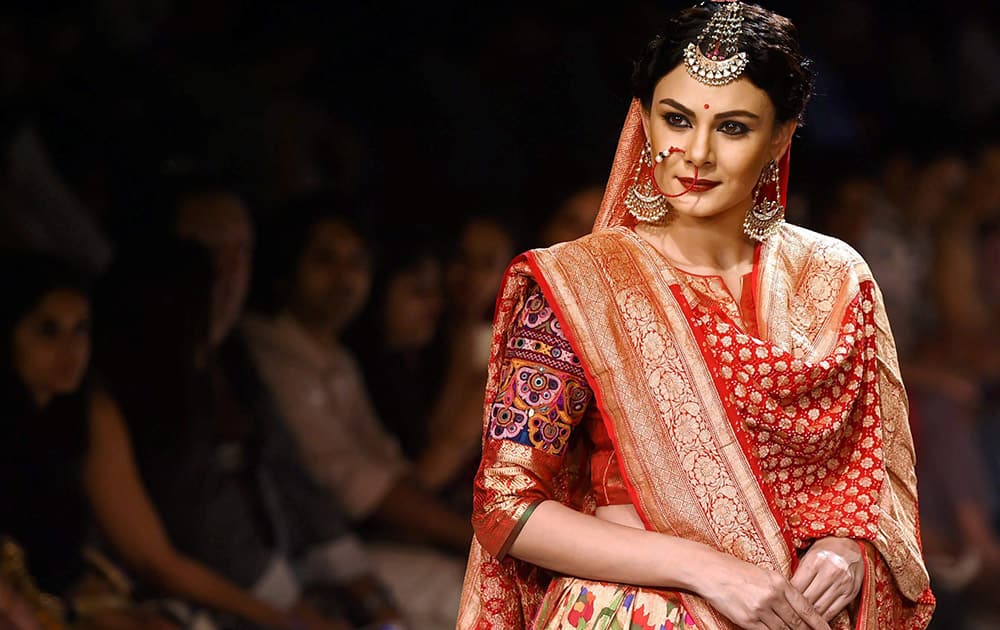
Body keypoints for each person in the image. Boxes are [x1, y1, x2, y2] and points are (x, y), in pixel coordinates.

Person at [460, 2, 935, 629]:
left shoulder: (834, 278)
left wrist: (851, 549)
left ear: (781, 136)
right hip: (632, 611)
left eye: (734, 128)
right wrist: (707, 568)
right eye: (676, 119)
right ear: (645, 122)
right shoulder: (578, 284)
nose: (697, 154)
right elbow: (506, 503)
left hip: (802, 611)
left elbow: (880, 485)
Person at [244, 199, 470, 630]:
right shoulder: (270, 354)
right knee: (466, 593)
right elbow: (355, 484)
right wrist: (479, 539)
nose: (345, 278)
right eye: (325, 260)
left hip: (362, 542)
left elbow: (389, 469)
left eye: (356, 263)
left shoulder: (336, 358)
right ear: (287, 266)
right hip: (310, 553)